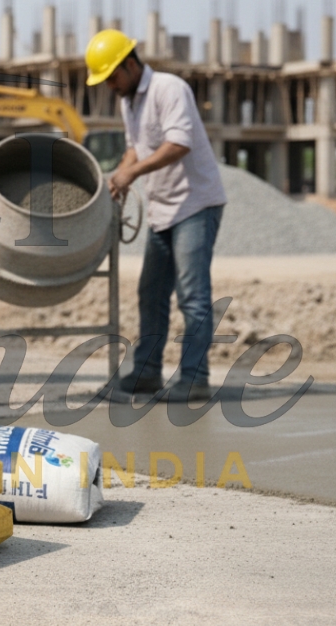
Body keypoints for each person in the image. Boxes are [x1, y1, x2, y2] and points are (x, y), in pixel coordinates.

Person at [85, 29, 227, 401]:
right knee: (151, 293)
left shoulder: (170, 88)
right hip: (163, 209)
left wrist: (134, 172)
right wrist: (120, 174)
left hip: (195, 204)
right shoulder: (128, 102)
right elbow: (136, 148)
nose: (110, 86)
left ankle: (195, 379)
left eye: (112, 77)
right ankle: (147, 372)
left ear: (130, 64)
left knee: (192, 296)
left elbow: (179, 143)